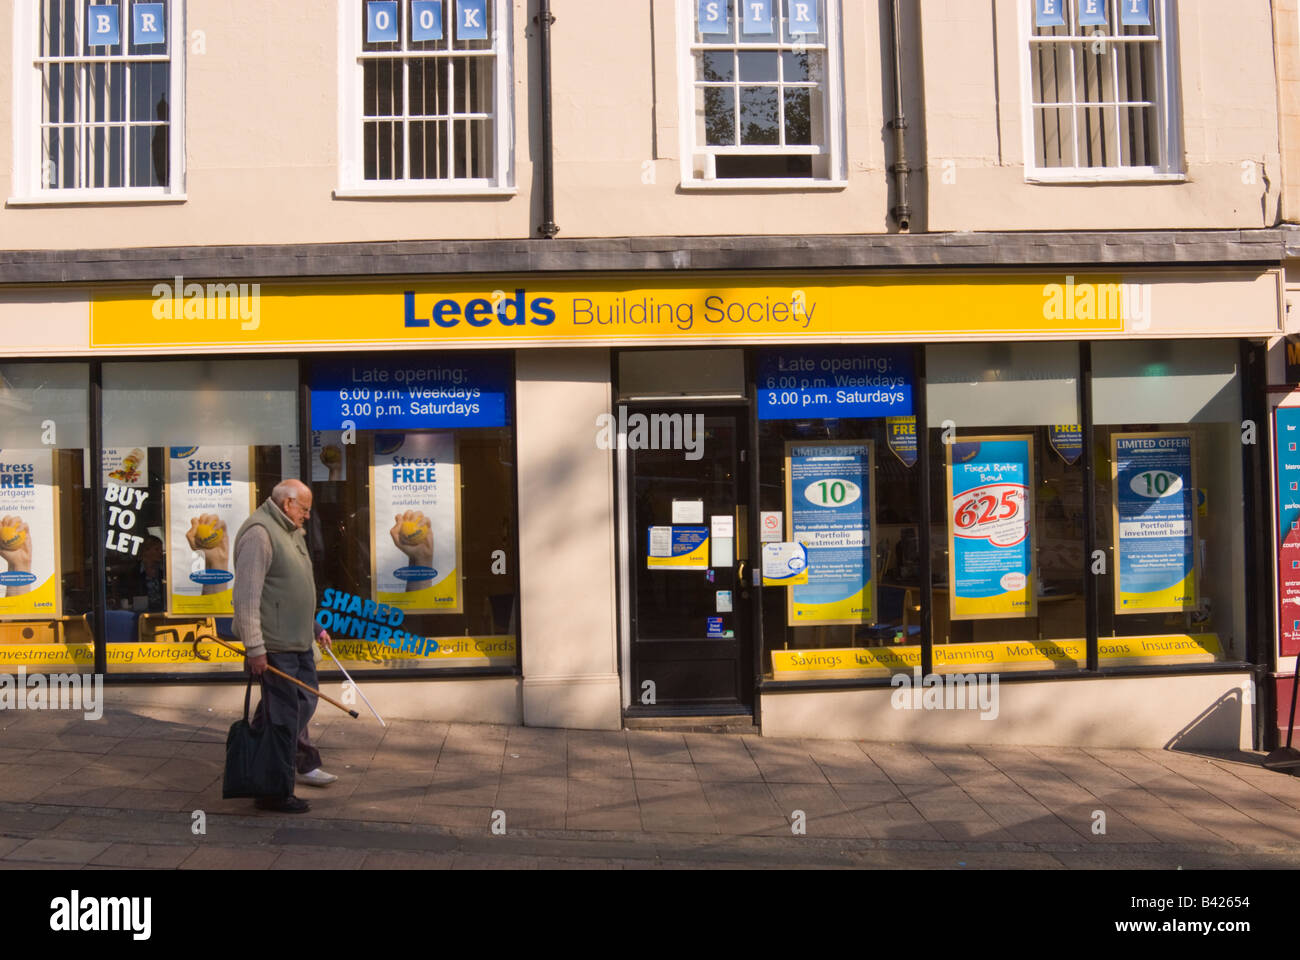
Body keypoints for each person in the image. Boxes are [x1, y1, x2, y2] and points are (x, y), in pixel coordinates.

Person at [233, 478, 337, 814]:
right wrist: (255, 648)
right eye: (304, 509)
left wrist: (314, 625)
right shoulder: (259, 534)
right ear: (288, 503)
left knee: (301, 702)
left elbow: (294, 590)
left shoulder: (290, 531)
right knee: (283, 719)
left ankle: (259, 757)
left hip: (298, 641)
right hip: (275, 645)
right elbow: (246, 598)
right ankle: (273, 792)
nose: (307, 515)